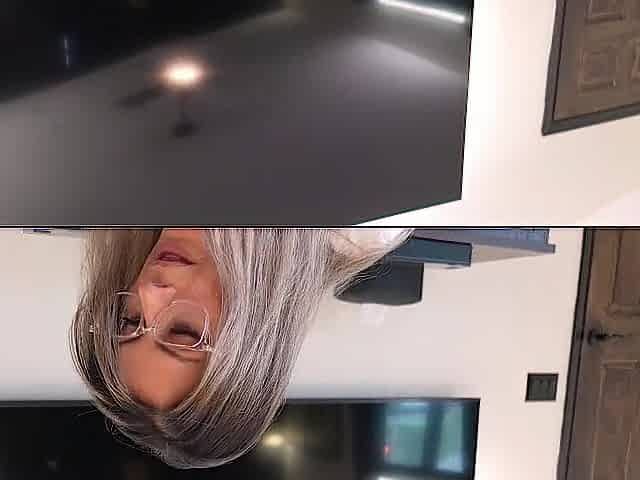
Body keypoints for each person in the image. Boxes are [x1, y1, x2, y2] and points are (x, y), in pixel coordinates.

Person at [70, 228, 412, 469]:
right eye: (184, 331)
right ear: (248, 339)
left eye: (129, 321)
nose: (148, 291)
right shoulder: (357, 226)